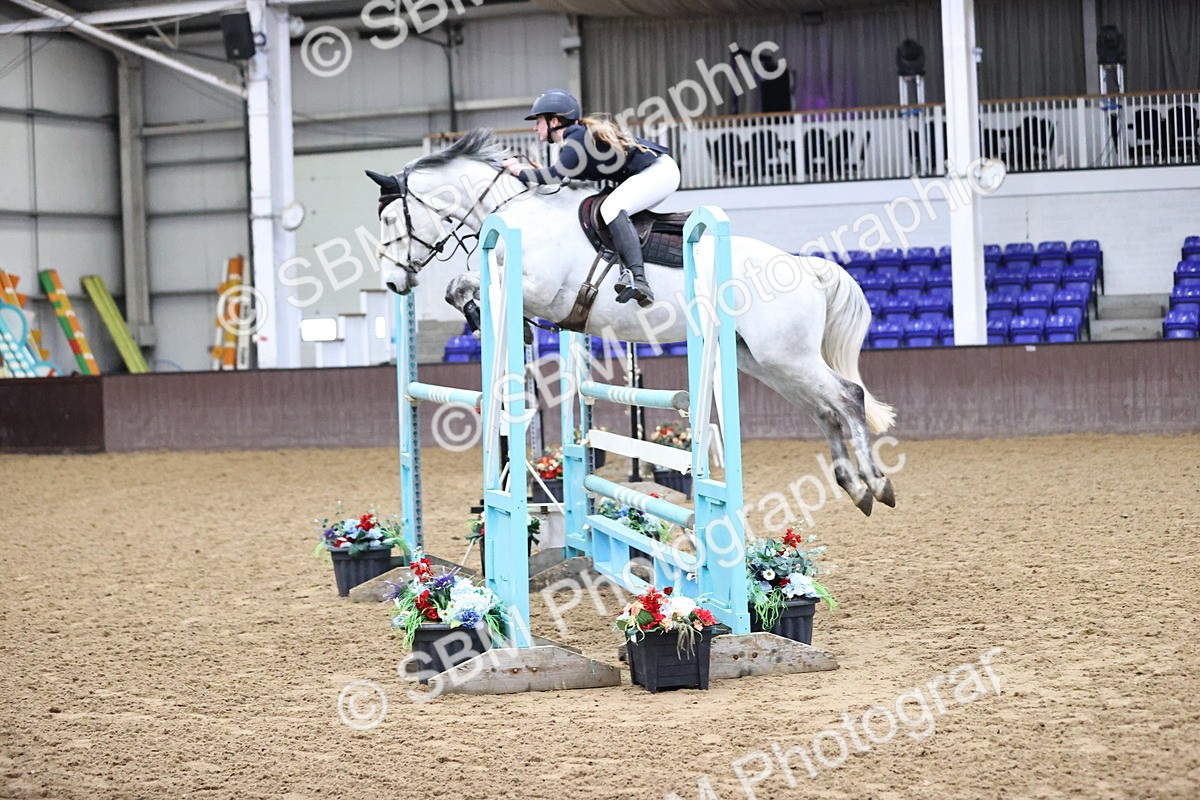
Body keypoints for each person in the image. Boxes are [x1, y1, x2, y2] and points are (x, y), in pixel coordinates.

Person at [502, 89, 681, 307]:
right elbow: (560, 176)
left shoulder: (575, 138)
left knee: (611, 208)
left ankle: (638, 279)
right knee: (612, 208)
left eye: (538, 121)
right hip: (653, 172)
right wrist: (542, 174)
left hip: (658, 172)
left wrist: (518, 170)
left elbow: (553, 175)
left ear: (554, 121)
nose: (534, 127)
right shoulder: (576, 139)